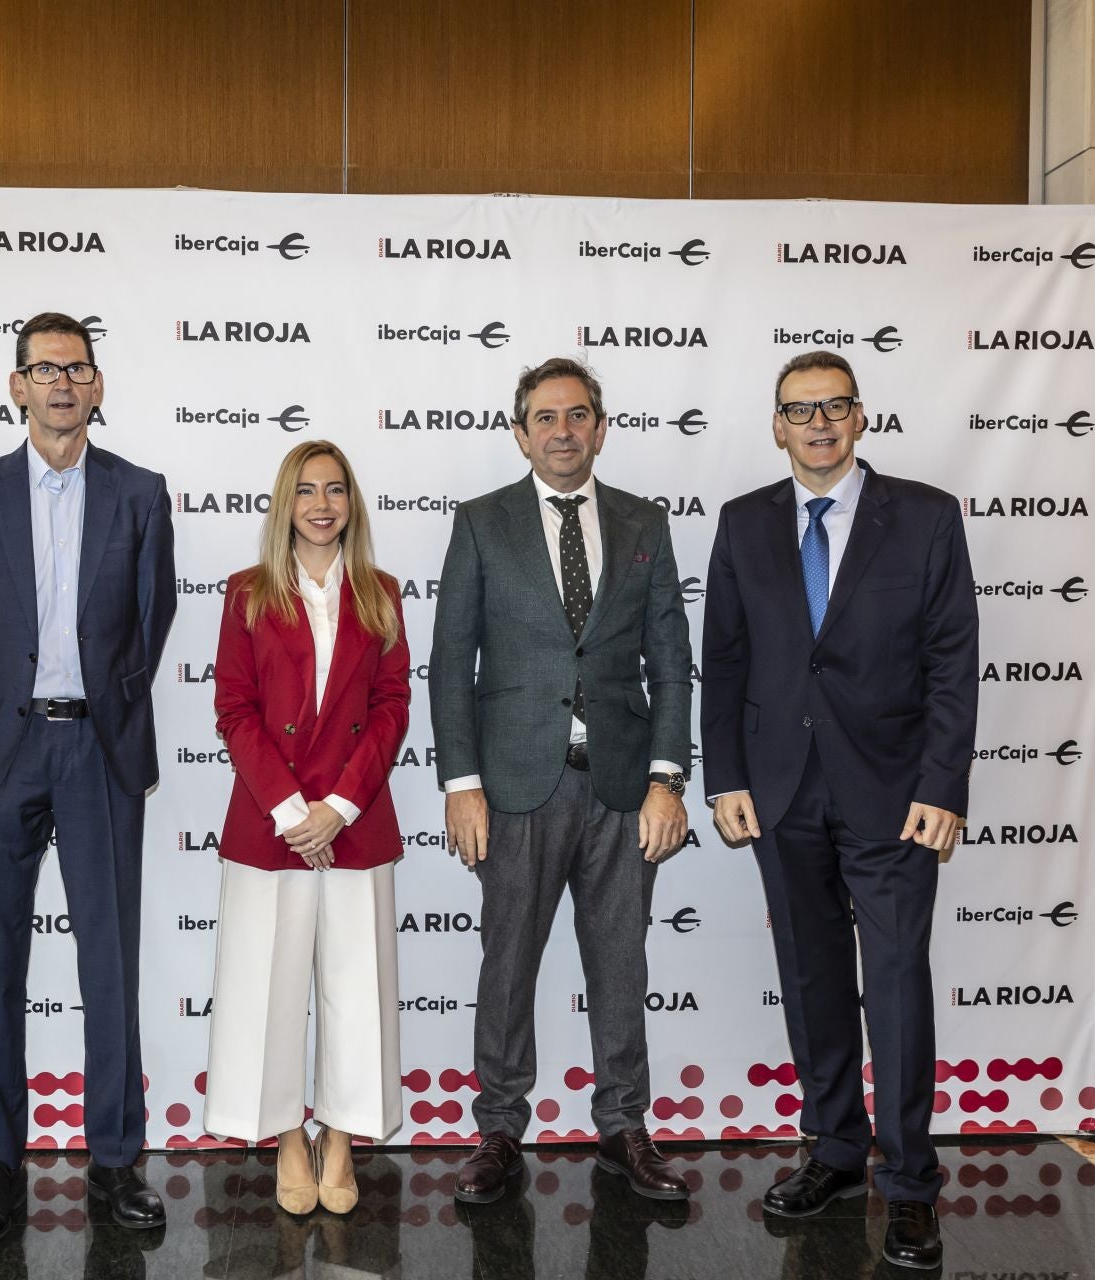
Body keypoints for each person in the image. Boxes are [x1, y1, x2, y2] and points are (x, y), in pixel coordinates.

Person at [700, 350, 978, 1271]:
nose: (817, 423)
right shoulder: (743, 525)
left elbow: (952, 661)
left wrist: (942, 786)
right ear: (776, 426)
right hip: (781, 793)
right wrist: (725, 778)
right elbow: (727, 662)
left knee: (895, 984)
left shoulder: (928, 518)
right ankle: (834, 1151)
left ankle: (908, 1185)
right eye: (798, 410)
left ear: (861, 418)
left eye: (834, 406)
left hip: (894, 796)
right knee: (814, 979)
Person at [0, 311, 177, 1236]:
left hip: (102, 751)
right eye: (44, 369)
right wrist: (3, 706)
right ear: (17, 386)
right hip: (6, 751)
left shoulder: (141, 493)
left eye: (77, 368)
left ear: (98, 385)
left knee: (109, 964)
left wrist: (102, 703)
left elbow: (149, 627)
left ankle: (115, 1165)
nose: (62, 383)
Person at [428, 357, 693, 1205]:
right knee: (508, 962)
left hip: (621, 787)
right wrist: (460, 782)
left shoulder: (644, 522)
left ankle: (623, 1128)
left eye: (578, 415)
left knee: (621, 963)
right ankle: (500, 1129)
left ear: (601, 428)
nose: (563, 431)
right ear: (521, 432)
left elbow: (672, 665)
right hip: (512, 785)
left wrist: (667, 780)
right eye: (545, 418)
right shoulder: (481, 522)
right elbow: (448, 665)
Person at [203, 440, 411, 1216]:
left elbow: (392, 709)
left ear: (351, 503)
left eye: (335, 491)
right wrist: (295, 813)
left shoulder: (381, 592)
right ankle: (288, 1136)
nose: (322, 505)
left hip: (354, 821)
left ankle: (343, 1138)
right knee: (268, 989)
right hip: (272, 824)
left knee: (359, 990)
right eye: (306, 492)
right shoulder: (247, 592)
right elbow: (235, 710)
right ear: (285, 504)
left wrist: (340, 808)